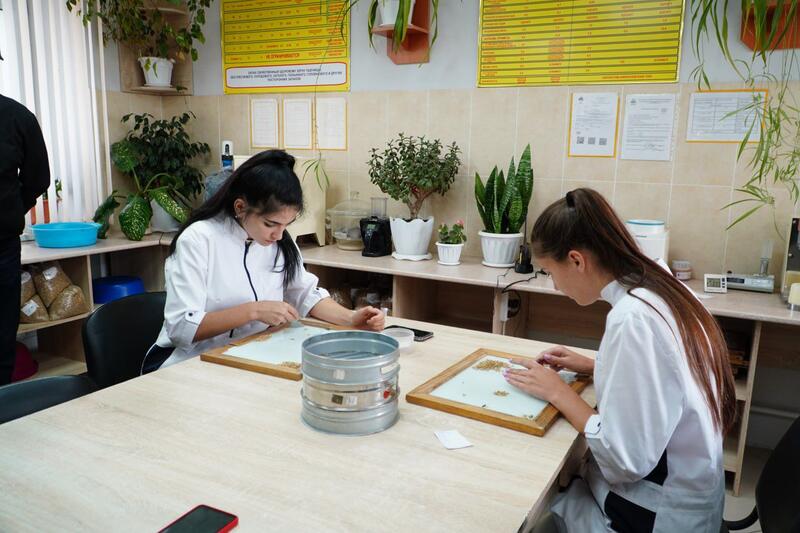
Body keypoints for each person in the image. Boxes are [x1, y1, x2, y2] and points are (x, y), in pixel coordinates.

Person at [505, 189, 736, 533]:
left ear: (577, 260)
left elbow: (626, 459)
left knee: (530, 511)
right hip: (692, 491)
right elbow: (669, 376)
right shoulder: (660, 282)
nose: (554, 286)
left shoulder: (632, 318)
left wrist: (558, 392)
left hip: (660, 514)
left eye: (550, 272)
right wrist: (596, 366)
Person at [146, 150, 384, 370]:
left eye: (285, 225)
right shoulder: (198, 239)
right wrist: (253, 312)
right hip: (189, 361)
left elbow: (305, 294)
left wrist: (350, 318)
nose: (278, 235)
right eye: (270, 224)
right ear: (240, 207)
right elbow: (181, 327)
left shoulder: (278, 242)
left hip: (247, 352)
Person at [0, 94, 50, 385]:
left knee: (3, 334)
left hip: (2, 245)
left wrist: (11, 210)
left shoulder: (18, 117)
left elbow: (38, 178)